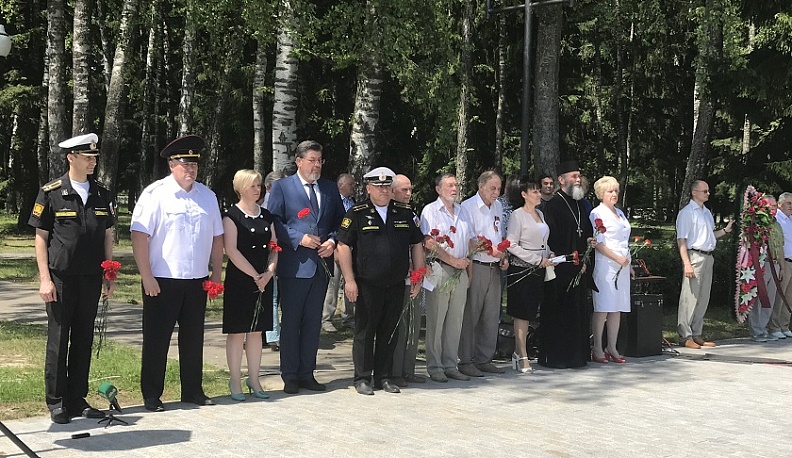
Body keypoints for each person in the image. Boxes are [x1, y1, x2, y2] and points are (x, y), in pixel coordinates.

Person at [131, 135, 224, 412]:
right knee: (157, 340)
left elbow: (217, 238)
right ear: (172, 164)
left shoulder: (207, 196)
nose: (191, 169)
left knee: (194, 339)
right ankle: (151, 394)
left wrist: (216, 276)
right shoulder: (155, 194)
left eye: (194, 163)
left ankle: (193, 390)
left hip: (197, 279)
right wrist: (146, 275)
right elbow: (139, 235)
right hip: (162, 279)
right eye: (185, 163)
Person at [29, 133, 115, 424]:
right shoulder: (52, 192)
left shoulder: (102, 193)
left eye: (94, 157)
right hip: (61, 278)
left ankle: (77, 399)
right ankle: (56, 401)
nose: (92, 161)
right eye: (87, 156)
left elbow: (108, 235)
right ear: (71, 158)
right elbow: (41, 238)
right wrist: (45, 279)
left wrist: (108, 272)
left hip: (91, 277)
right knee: (59, 339)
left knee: (83, 339)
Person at [337, 167, 426, 395]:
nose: (384, 191)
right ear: (368, 188)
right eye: (379, 187)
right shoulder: (356, 213)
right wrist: (349, 280)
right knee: (365, 332)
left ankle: (384, 376)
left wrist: (418, 274)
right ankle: (363, 377)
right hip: (367, 283)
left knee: (389, 331)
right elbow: (343, 245)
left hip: (396, 283)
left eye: (387, 187)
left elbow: (416, 243)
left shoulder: (405, 213)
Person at [267, 140, 345, 394]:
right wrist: (298, 239)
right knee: (292, 322)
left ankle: (307, 372)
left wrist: (332, 241)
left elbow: (338, 222)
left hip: (321, 266)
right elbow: (274, 222)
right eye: (312, 160)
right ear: (298, 161)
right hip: (294, 265)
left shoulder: (330, 189)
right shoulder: (282, 188)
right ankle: (289, 375)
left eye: (320, 160)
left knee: (313, 322)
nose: (316, 165)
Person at [222, 170, 278, 401]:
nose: (258, 189)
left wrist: (269, 272)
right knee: (237, 332)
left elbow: (275, 246)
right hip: (241, 279)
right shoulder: (232, 216)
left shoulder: (266, 215)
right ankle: (235, 380)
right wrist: (256, 275)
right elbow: (231, 250)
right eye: (254, 185)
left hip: (264, 280)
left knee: (256, 332)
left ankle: (254, 378)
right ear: (242, 188)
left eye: (259, 185)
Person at [420, 173, 473, 382]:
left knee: (455, 320)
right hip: (440, 268)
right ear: (438, 189)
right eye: (450, 185)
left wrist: (468, 267)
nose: (455, 188)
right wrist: (452, 260)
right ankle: (435, 366)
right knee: (437, 319)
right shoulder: (430, 211)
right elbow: (428, 242)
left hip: (461, 269)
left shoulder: (462, 211)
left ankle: (451, 364)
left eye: (456, 185)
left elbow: (469, 240)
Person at [541, 160, 593, 369]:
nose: (578, 179)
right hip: (561, 268)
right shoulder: (553, 205)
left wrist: (587, 251)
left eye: (579, 175)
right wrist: (570, 261)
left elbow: (585, 232)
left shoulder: (580, 204)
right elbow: (552, 238)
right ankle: (558, 357)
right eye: (574, 176)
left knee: (578, 311)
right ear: (561, 180)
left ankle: (577, 356)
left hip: (579, 266)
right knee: (560, 311)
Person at [458, 171, 508, 377]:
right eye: (492, 188)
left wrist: (502, 256)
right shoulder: (468, 207)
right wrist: (490, 251)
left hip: (494, 267)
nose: (496, 193)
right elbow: (470, 238)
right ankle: (466, 359)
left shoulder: (498, 206)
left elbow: (499, 234)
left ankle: (484, 358)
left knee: (490, 314)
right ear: (481, 186)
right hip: (477, 264)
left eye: (498, 188)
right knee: (472, 314)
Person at [676, 180, 733, 349]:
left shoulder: (706, 213)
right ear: (694, 193)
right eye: (704, 191)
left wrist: (725, 231)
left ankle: (696, 333)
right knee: (690, 297)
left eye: (708, 191)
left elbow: (709, 236)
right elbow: (681, 239)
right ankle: (684, 335)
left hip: (708, 257)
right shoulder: (687, 213)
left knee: (703, 298)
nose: (708, 194)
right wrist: (687, 263)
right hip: (695, 256)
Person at [505, 177, 553, 373]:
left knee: (532, 311)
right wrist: (535, 259)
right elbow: (511, 244)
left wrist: (549, 253)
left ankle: (518, 352)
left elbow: (542, 240)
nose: (539, 194)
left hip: (540, 268)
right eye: (534, 192)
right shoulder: (517, 216)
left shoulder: (540, 213)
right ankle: (522, 354)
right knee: (522, 313)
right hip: (522, 269)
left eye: (539, 191)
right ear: (524, 195)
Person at [391, 174, 428, 386]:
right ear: (393, 190)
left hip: (412, 277)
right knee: (400, 326)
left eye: (410, 190)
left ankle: (408, 369)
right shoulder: (388, 213)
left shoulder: (410, 214)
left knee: (413, 325)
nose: (408, 194)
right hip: (395, 278)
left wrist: (419, 275)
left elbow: (418, 244)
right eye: (404, 190)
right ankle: (395, 371)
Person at [589, 176, 631, 364]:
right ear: (601, 194)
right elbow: (598, 243)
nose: (614, 194)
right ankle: (597, 346)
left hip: (622, 265)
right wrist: (616, 258)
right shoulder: (597, 213)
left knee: (617, 307)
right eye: (610, 191)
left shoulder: (620, 213)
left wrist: (628, 263)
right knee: (604, 307)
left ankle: (612, 346)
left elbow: (624, 240)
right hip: (606, 264)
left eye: (615, 190)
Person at [322, 173, 356, 332]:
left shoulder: (354, 203)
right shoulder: (332, 202)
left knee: (350, 282)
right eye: (350, 185)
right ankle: (326, 318)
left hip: (351, 249)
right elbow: (331, 226)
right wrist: (334, 247)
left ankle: (349, 317)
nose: (353, 187)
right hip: (335, 247)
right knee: (333, 284)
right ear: (340, 185)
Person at [749, 195, 783, 342]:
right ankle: (756, 330)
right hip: (763, 264)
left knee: (770, 298)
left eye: (775, 206)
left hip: (774, 264)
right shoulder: (758, 223)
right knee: (759, 298)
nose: (774, 209)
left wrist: (781, 267)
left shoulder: (777, 224)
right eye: (772, 206)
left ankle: (763, 328)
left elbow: (780, 247)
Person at [262, 171, 283, 352]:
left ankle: (271, 334)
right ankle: (273, 336)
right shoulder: (266, 205)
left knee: (276, 295)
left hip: (282, 252)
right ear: (268, 187)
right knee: (273, 295)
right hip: (270, 253)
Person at [768, 192, 792, 339]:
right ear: (780, 204)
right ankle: (774, 326)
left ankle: (784, 325)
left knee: (789, 296)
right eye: (789, 203)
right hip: (784, 262)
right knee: (780, 296)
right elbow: (779, 245)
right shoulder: (777, 220)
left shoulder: (790, 219)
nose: (791, 206)